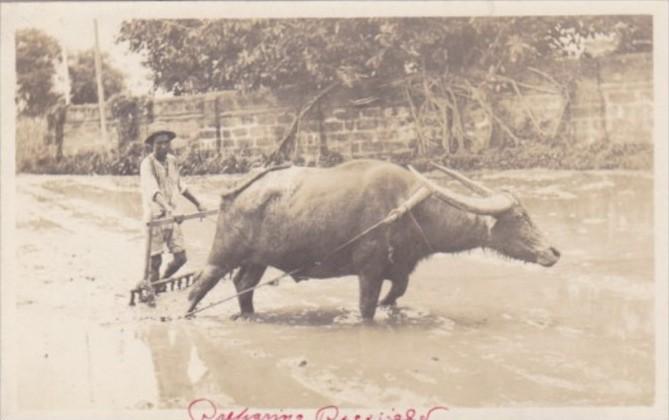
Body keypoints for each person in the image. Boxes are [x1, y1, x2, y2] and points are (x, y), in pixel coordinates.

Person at [140, 123, 205, 296]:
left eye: (166, 142)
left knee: (181, 258)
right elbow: (153, 191)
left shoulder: (172, 161)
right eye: (159, 143)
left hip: (172, 217)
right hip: (155, 218)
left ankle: (161, 282)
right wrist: (169, 209)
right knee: (155, 262)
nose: (163, 146)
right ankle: (154, 296)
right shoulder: (147, 165)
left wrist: (198, 203)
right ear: (152, 145)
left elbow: (180, 186)